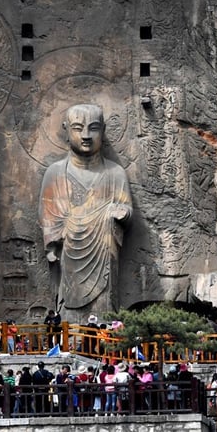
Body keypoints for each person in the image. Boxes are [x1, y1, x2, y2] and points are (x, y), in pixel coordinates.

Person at [40, 104, 133, 320]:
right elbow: (48, 216)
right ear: (66, 130)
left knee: (104, 308)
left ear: (103, 130)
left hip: (103, 254)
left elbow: (127, 210)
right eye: (78, 128)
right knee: (69, 312)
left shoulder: (115, 173)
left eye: (93, 128)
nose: (86, 136)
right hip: (70, 253)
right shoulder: (55, 173)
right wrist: (56, 238)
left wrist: (120, 213)